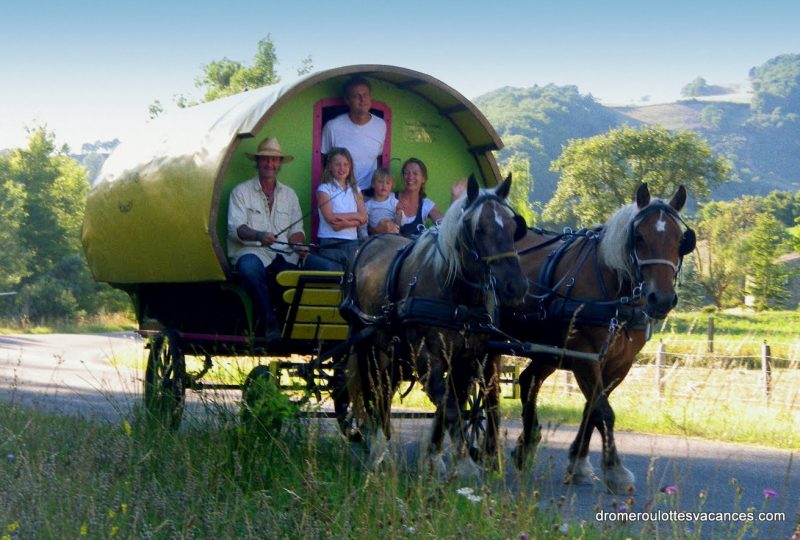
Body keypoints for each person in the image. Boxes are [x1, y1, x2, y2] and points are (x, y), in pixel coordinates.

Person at [227, 137, 335, 344]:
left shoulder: (290, 194)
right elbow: (236, 229)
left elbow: (296, 230)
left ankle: (306, 332)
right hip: (251, 252)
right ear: (257, 162)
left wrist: (298, 244)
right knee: (249, 269)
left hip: (283, 255)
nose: (270, 164)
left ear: (279, 164)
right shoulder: (241, 192)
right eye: (265, 160)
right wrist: (259, 236)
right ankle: (269, 325)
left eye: (274, 160)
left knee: (326, 269)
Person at [321, 76, 387, 192]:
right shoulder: (332, 126)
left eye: (365, 95)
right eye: (356, 96)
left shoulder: (381, 125)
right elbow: (323, 159)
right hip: (340, 192)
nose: (362, 100)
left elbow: (378, 155)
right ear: (347, 100)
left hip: (370, 193)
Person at [316, 147, 367, 269]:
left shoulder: (355, 189)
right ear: (330, 167)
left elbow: (364, 217)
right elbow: (330, 218)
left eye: (345, 164)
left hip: (352, 242)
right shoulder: (324, 189)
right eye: (337, 164)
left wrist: (345, 224)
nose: (342, 168)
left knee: (350, 280)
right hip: (330, 241)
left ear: (350, 167)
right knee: (332, 280)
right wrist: (356, 216)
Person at [396, 158, 445, 236]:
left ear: (423, 178)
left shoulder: (426, 205)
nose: (410, 177)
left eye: (415, 173)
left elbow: (444, 224)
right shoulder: (391, 199)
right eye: (406, 173)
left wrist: (455, 201)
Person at [365, 168, 401, 235]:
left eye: (387, 183)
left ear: (392, 186)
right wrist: (365, 237)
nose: (384, 185)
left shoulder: (394, 202)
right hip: (375, 237)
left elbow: (401, 223)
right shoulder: (368, 205)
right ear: (373, 184)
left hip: (393, 236)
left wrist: (399, 213)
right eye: (380, 181)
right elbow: (363, 226)